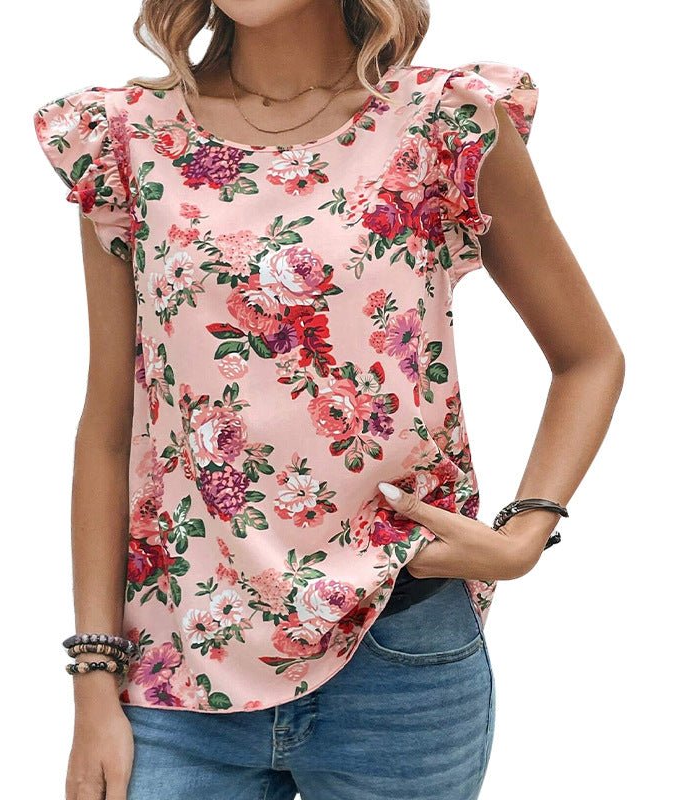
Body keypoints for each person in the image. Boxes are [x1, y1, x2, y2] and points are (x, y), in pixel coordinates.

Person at [32, 1, 625, 798]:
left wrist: (527, 532)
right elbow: (109, 427)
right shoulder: (126, 138)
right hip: (177, 668)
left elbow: (588, 357)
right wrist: (93, 679)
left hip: (399, 653)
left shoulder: (444, 123)